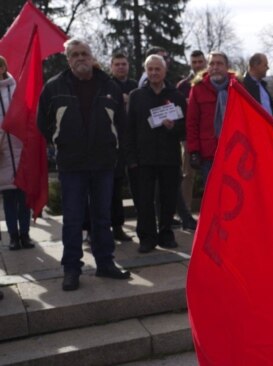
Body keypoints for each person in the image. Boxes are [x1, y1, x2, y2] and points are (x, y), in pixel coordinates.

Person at [37, 38, 131, 291]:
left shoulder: (108, 85)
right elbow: (42, 123)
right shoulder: (54, 87)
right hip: (72, 164)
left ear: (92, 56)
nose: (80, 58)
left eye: (84, 53)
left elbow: (121, 125)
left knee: (102, 217)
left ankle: (105, 263)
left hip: (103, 164)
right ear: (68, 60)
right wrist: (60, 142)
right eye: (75, 54)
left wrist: (114, 150)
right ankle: (71, 269)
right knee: (73, 219)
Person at [125, 55, 186, 253]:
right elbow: (130, 129)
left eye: (157, 69)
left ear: (165, 70)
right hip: (144, 158)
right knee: (144, 200)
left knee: (168, 199)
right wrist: (131, 158)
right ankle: (147, 237)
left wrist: (173, 127)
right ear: (145, 71)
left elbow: (185, 128)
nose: (153, 73)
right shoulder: (136, 96)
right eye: (149, 69)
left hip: (169, 157)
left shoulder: (176, 96)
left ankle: (166, 233)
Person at [0, 55, 36, 251]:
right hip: (3, 153)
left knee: (23, 198)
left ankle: (25, 234)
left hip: (20, 148)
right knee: (9, 198)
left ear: (4, 67)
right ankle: (13, 236)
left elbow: (28, 114)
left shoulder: (16, 88)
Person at [186, 51, 232, 186]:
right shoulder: (198, 88)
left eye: (219, 63)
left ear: (226, 66)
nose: (215, 67)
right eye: (212, 63)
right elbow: (192, 122)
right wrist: (194, 151)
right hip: (209, 152)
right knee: (213, 193)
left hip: (233, 151)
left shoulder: (236, 87)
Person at [174, 51, 206, 231]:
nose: (198, 64)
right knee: (187, 174)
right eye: (194, 61)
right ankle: (185, 212)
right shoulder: (183, 86)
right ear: (190, 63)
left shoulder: (211, 83)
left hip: (209, 135)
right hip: (188, 136)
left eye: (201, 61)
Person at [109, 52, 138, 242]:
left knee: (138, 186)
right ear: (111, 67)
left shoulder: (136, 86)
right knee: (114, 188)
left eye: (124, 64)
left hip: (134, 142)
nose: (121, 67)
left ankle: (141, 226)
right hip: (113, 144)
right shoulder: (106, 85)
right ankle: (114, 227)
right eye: (117, 64)